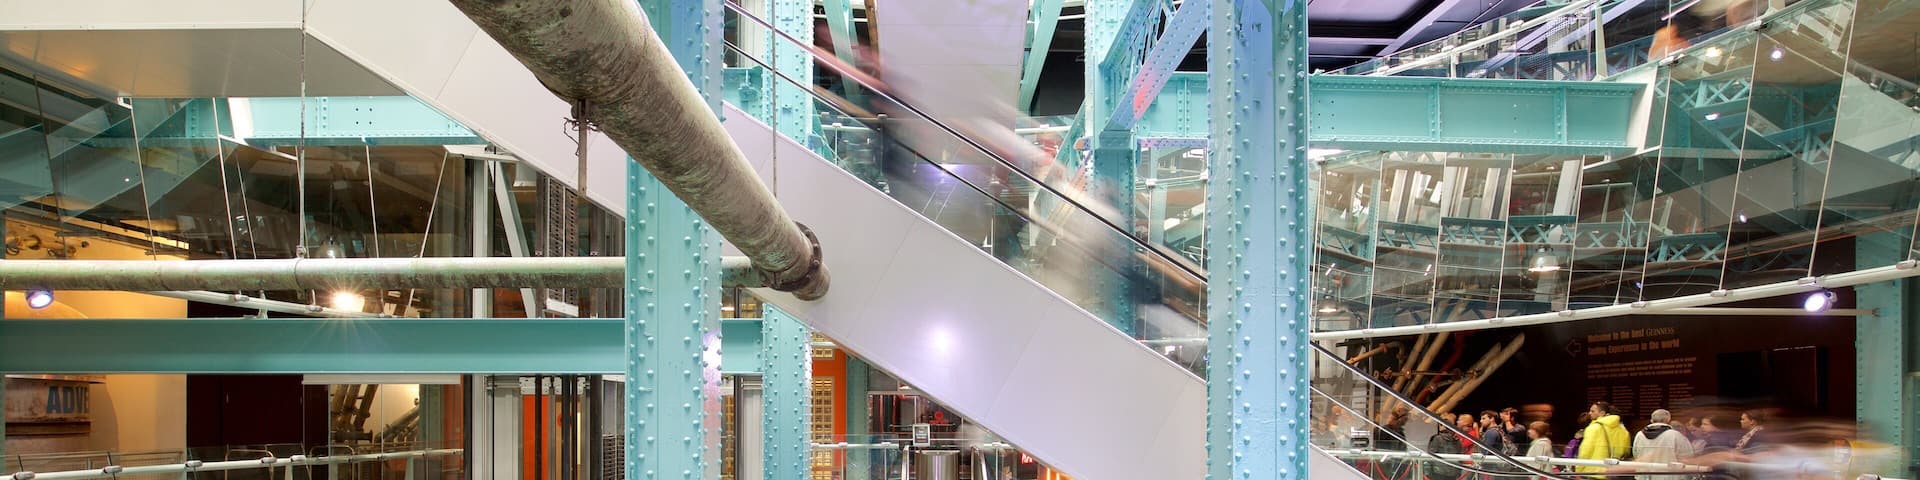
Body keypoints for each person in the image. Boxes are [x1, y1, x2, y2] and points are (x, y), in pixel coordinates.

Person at [1633, 409, 1695, 480]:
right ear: (1668, 420)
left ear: (1651, 420)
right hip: (1668, 476)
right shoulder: (1675, 435)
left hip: (1644, 476)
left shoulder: (1639, 435)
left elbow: (1636, 454)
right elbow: (1687, 457)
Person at [1577, 402, 1631, 473]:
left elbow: (1585, 452)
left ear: (1602, 413)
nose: (1589, 413)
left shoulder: (1593, 428)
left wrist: (1578, 470)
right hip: (1615, 472)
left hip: (1594, 472)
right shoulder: (1623, 431)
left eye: (1592, 411)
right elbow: (1626, 451)